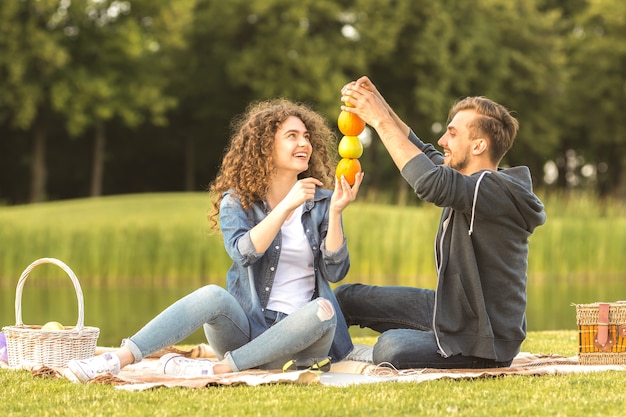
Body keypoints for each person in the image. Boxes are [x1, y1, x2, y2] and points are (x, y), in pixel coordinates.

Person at [68, 98, 363, 382]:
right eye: (292, 136)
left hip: (298, 337)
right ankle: (117, 359)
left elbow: (336, 272)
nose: (304, 143)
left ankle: (220, 370)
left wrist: (336, 212)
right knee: (212, 294)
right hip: (248, 329)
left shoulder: (323, 201)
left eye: (306, 136)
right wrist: (287, 206)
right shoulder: (237, 201)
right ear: (265, 147)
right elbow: (244, 253)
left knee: (322, 311)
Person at [336, 76, 546, 369]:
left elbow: (430, 183)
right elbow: (423, 153)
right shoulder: (467, 181)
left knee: (391, 346)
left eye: (452, 134)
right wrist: (377, 102)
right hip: (452, 310)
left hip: (484, 337)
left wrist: (379, 120)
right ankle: (325, 357)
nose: (442, 141)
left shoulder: (494, 190)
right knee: (346, 297)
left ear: (478, 146)